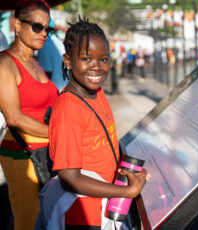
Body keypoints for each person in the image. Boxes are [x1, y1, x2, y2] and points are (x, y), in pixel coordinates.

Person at [49, 17, 147, 229]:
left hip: (106, 204)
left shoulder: (96, 92)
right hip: (84, 214)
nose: (97, 67)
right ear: (67, 61)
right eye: (86, 58)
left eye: (103, 59)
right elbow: (69, 177)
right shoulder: (69, 109)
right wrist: (126, 192)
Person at [0, 1, 59, 229]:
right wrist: (60, 133)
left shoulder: (34, 62)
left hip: (47, 152)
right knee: (29, 221)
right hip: (22, 154)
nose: (43, 33)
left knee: (49, 219)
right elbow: (13, 117)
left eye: (48, 29)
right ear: (16, 24)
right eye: (37, 26)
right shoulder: (6, 62)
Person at [37, 20, 68, 91]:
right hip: (64, 87)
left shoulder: (45, 45)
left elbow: (46, 73)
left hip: (56, 91)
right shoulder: (57, 41)